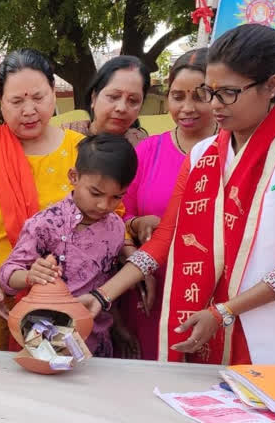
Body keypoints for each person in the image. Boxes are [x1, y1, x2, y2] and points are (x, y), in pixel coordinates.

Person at [81, 24, 275, 366]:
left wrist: (226, 311)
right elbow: (165, 238)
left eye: (227, 93)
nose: (215, 105)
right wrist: (102, 295)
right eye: (210, 92)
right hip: (206, 330)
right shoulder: (203, 155)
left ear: (271, 86)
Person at [0, 48, 87, 350]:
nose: (28, 110)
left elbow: (105, 214)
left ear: (54, 94)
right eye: (16, 101)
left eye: (38, 98)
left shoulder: (80, 151)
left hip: (64, 301)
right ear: (0, 103)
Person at [0, 134, 137, 357]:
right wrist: (29, 276)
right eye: (96, 193)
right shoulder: (46, 223)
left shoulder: (116, 228)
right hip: (47, 341)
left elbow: (109, 283)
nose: (104, 205)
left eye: (116, 197)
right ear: (74, 176)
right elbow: (6, 276)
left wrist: (119, 328)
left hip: (97, 340)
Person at [120, 48, 217, 360]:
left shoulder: (233, 150)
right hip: (151, 284)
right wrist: (136, 224)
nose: (187, 108)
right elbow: (117, 213)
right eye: (177, 96)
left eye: (200, 96)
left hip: (211, 289)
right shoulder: (147, 151)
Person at [62, 56, 149, 147]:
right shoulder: (64, 138)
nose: (121, 108)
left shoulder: (145, 147)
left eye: (133, 100)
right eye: (114, 96)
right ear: (94, 98)